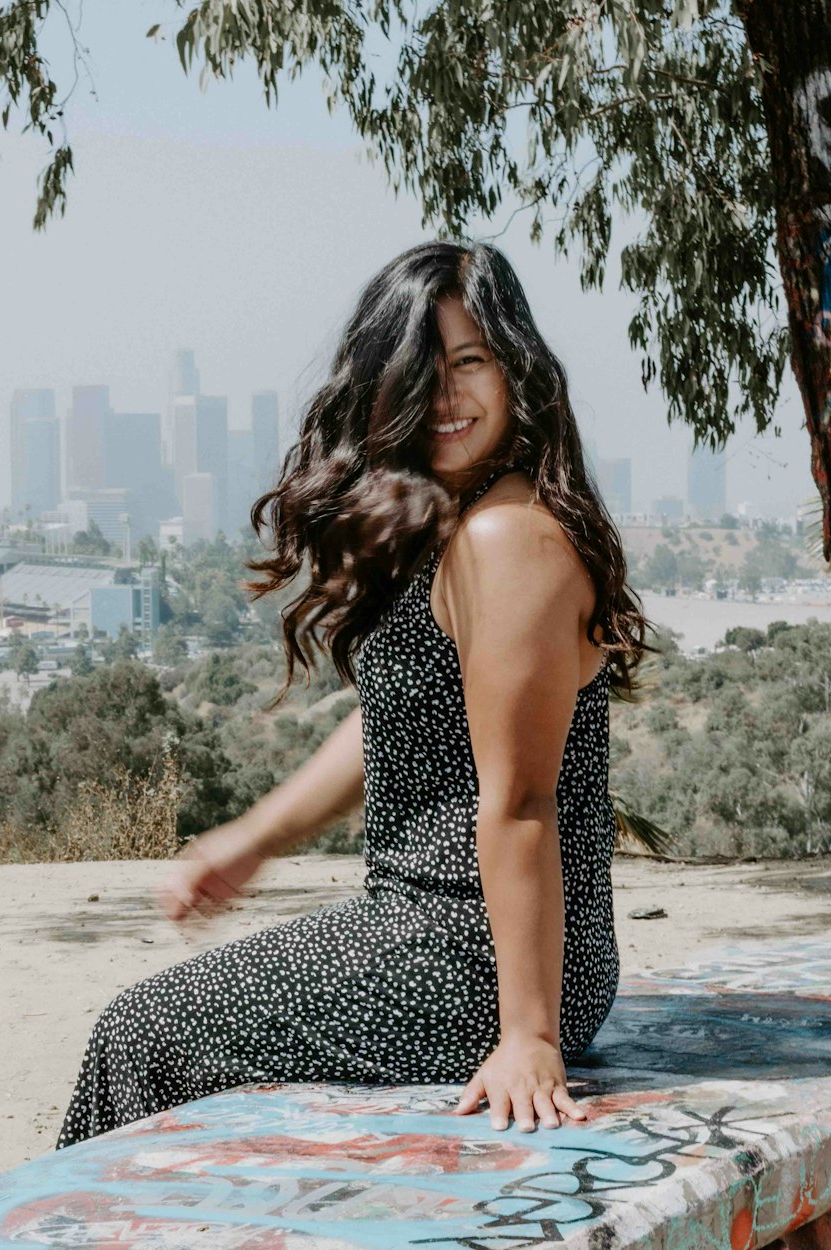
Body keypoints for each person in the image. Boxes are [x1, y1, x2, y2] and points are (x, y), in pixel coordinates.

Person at [56, 239, 654, 1150]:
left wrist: (528, 1035)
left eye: (471, 363)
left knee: (140, 1033)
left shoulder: (507, 541)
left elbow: (523, 799)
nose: (448, 398)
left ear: (516, 369)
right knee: (153, 1033)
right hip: (442, 937)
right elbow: (399, 725)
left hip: (469, 959)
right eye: (424, 371)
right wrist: (251, 841)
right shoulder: (461, 520)